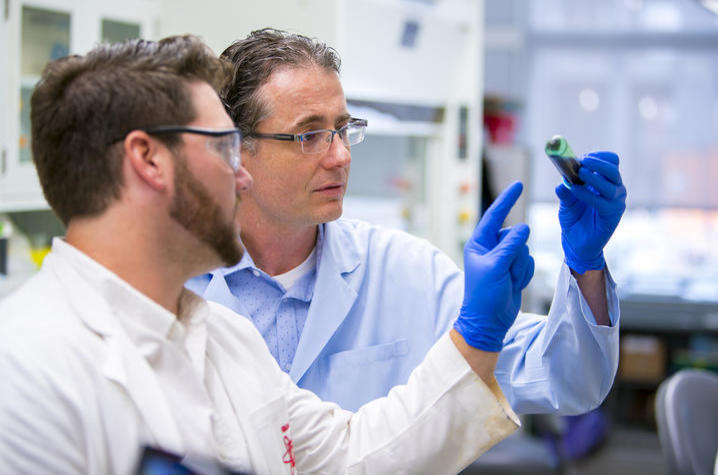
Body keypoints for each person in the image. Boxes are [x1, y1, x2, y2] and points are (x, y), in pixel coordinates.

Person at [0, 35, 538, 474]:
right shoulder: (24, 367)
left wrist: (474, 340)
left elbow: (352, 457)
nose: (242, 174)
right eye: (221, 147)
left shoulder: (224, 340)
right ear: (148, 160)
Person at [187, 28, 628, 413]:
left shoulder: (406, 272)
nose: (341, 156)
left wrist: (585, 265)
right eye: (309, 135)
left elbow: (568, 380)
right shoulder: (175, 282)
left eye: (343, 129)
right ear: (235, 148)